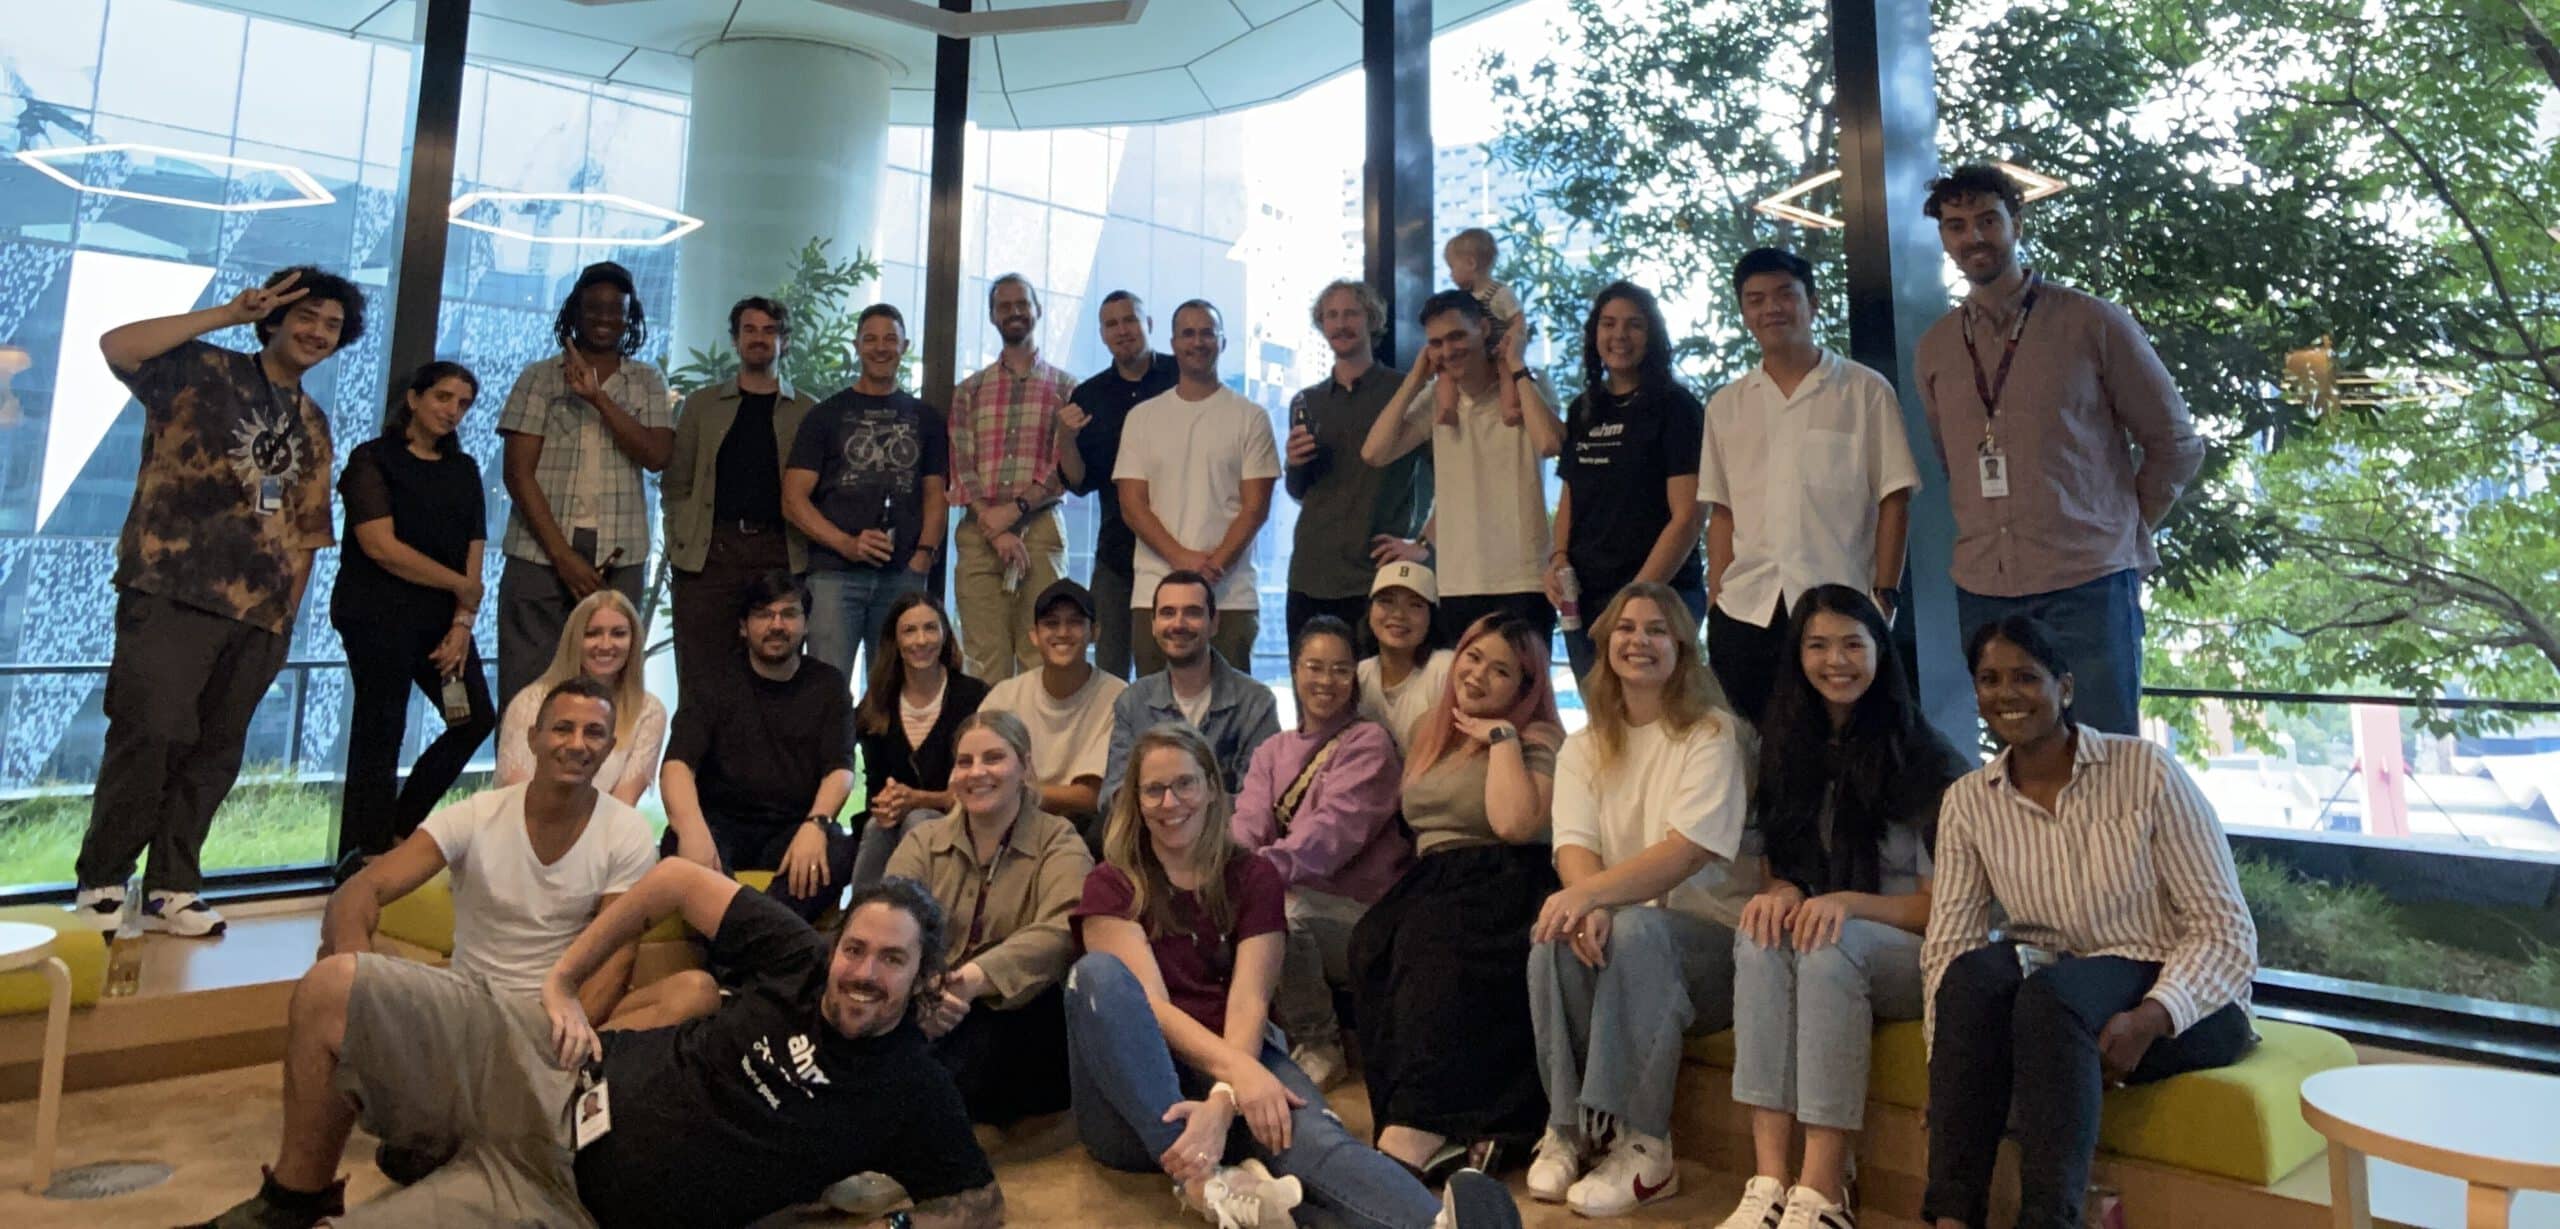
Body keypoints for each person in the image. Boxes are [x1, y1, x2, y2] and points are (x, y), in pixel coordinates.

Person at [188, 860, 1004, 1228]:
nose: (862, 973)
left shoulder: (911, 1089)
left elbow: (977, 1201)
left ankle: (434, 1152)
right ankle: (292, 1198)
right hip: (549, 1071)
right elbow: (672, 880)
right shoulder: (799, 956)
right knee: (333, 989)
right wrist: (562, 981)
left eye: (891, 960)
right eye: (855, 949)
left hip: (564, 1207)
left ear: (922, 975)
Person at [1066, 722, 1523, 1229]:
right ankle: (1200, 1180)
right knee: (1097, 974)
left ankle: (1438, 1224)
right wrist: (1238, 1081)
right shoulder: (1111, 885)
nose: (1170, 802)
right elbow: (1152, 1010)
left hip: (1237, 1058)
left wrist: (1223, 1099)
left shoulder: (1252, 876)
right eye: (1154, 789)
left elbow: (1249, 1001)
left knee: (1318, 1149)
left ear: (1213, 788)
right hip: (1137, 1103)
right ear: (1136, 801)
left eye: (1184, 784)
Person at [1921, 616, 2257, 1229]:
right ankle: (1951, 1218)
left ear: (2066, 688)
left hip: (2175, 992)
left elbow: (2226, 934)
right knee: (1970, 978)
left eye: (2026, 677)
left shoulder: (2146, 772)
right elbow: (1949, 945)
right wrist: (1948, 1073)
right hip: (2057, 990)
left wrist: (2151, 1018)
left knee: (2050, 1002)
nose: (2007, 694)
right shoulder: (1968, 800)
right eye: (1990, 679)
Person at [73, 266, 365, 938]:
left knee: (215, 752)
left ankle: (172, 886)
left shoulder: (313, 421)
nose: (319, 332)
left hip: (259, 615)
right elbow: (118, 345)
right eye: (308, 316)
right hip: (171, 588)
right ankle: (103, 879)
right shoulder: (203, 370)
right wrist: (227, 314)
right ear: (275, 318)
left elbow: (307, 533)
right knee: (149, 733)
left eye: (333, 325)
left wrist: (284, 621)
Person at [1714, 584, 1970, 1229]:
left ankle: (1825, 1189)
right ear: (1797, 656)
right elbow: (1781, 863)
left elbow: (1945, 911)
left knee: (1828, 949)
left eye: (1853, 644)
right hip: (1833, 937)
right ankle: (1769, 1180)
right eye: (1818, 645)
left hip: (1920, 955)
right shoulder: (1785, 747)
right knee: (1761, 935)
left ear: (1880, 652)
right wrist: (1783, 892)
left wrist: (1847, 904)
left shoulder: (1928, 761)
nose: (1836, 661)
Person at [1915, 165, 2203, 736]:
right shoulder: (1937, 347)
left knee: (2104, 752)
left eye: (1988, 220)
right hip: (1983, 587)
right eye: (1956, 226)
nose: (1973, 237)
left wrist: (2120, 531)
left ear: (2016, 225)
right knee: (2017, 748)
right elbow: (1954, 463)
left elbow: (2176, 446)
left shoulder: (2091, 322)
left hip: (2087, 584)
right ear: (1944, 238)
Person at [1523, 583, 1755, 1216]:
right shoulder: (1584, 744)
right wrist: (1588, 905)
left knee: (1635, 931)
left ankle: (1647, 1146)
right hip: (1625, 940)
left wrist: (1593, 898)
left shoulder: (1714, 733)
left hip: (1716, 951)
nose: (1639, 641)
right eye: (1626, 628)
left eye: (1657, 630)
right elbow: (1574, 845)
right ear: (1606, 644)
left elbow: (1686, 852)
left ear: (1681, 648)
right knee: (1551, 939)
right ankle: (1568, 1131)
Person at [320, 677, 711, 1035]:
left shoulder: (627, 831)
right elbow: (360, 889)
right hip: (472, 1010)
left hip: (565, 1017)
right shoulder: (476, 814)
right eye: (563, 729)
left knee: (697, 992)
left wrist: (560, 1038)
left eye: (593, 733)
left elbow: (616, 961)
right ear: (533, 739)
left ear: (609, 749)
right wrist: (355, 968)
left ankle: (569, 1070)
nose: (577, 744)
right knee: (335, 968)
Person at [1352, 612, 1565, 1178]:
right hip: (1432, 874)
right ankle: (1421, 1120)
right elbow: (1412, 818)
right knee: (1370, 945)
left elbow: (1515, 824)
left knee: (1433, 951)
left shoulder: (1537, 735)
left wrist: (1502, 739)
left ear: (1524, 687)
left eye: (1501, 671)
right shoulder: (1433, 726)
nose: (1477, 675)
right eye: (1473, 657)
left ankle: (1420, 1123)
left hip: (1502, 875)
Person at [1701, 248, 1920, 723]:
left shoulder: (1864, 390)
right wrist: (1717, 598)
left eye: (1785, 294)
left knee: (1845, 742)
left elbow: (1895, 497)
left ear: (1813, 303)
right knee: (1752, 746)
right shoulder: (1726, 405)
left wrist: (1884, 597)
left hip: (1841, 609)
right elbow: (1722, 512)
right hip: (1747, 610)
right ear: (1744, 313)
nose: (1771, 308)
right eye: (1756, 299)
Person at [330, 360, 496, 879]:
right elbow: (380, 546)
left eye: (463, 404)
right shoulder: (372, 459)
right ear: (414, 398)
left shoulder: (463, 468)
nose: (453, 411)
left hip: (441, 622)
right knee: (382, 726)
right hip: (376, 614)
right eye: (444, 398)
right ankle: (364, 855)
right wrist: (457, 586)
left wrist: (463, 622)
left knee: (473, 718)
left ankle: (399, 832)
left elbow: (474, 547)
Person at [886, 710, 1093, 1125]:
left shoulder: (1060, 841)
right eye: (965, 762)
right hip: (927, 1003)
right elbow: (890, 922)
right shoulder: (923, 841)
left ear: (1025, 768)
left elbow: (1061, 931)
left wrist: (973, 979)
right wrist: (927, 989)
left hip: (1019, 1015)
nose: (977, 772)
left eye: (994, 758)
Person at [1229, 616, 1408, 1092]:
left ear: (1355, 677)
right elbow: (1247, 822)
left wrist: (1251, 877)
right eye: (1314, 667)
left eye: (1340, 670)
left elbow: (1328, 838)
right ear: (1294, 670)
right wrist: (1224, 872)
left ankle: (1320, 1043)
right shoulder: (1272, 750)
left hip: (1360, 916)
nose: (1326, 681)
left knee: (1281, 914)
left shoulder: (1369, 744)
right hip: (1283, 893)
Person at [494, 260, 674, 707]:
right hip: (538, 552)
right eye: (593, 307)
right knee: (526, 690)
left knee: (607, 691)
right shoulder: (539, 377)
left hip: (619, 553)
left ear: (630, 318)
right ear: (575, 311)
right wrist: (563, 557)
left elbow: (657, 455)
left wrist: (598, 398)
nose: (604, 318)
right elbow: (517, 473)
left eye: (616, 310)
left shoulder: (646, 380)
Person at [1362, 290, 1562, 646]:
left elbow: (1549, 442)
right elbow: (1374, 453)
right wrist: (1415, 378)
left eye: (1457, 336)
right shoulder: (1437, 401)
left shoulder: (1527, 383)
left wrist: (1516, 367)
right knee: (1463, 682)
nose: (1448, 350)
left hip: (1525, 578)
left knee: (1526, 681)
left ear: (1483, 329)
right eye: (1436, 343)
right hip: (1458, 582)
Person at [660, 571, 858, 923]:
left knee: (839, 850)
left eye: (789, 613)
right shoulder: (711, 682)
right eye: (764, 614)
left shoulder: (828, 684)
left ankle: (743, 935)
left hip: (793, 827)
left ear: (806, 624)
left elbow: (840, 770)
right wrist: (692, 829)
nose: (776, 625)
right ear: (743, 626)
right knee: (678, 846)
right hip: (720, 824)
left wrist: (816, 824)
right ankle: (768, 938)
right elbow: (677, 765)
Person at [1547, 281, 1706, 684]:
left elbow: (1688, 517)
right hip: (1586, 597)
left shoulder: (1676, 408)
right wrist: (1558, 558)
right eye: (1609, 324)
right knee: (1602, 714)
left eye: (1634, 325)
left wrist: (1634, 600)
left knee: (1657, 712)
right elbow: (1571, 494)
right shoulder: (1584, 408)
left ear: (1652, 335)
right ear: (1594, 334)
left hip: (1660, 596)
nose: (1620, 335)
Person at [787, 302, 949, 683]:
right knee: (826, 688)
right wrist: (845, 544)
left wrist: (923, 557)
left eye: (890, 339)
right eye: (871, 339)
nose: (881, 347)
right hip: (834, 577)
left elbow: (936, 495)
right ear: (857, 345)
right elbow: (792, 500)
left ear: (905, 346)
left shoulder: (926, 419)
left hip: (902, 577)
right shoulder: (824, 415)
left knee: (895, 690)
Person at [664, 296, 817, 699]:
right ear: (735, 339)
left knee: (775, 674)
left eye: (769, 331)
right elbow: (676, 483)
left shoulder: (806, 411)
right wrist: (680, 538)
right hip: (710, 554)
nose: (759, 338)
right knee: (700, 675)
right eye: (749, 330)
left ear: (785, 341)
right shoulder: (702, 406)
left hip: (778, 552)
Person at [1117, 299, 1280, 674]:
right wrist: (1182, 560)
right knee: (1156, 705)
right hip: (1155, 593)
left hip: (1230, 595)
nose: (1197, 342)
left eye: (1207, 333)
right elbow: (1133, 506)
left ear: (1222, 342)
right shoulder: (1142, 418)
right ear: (1173, 343)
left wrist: (1212, 567)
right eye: (1187, 333)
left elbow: (1255, 508)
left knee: (1229, 704)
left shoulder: (1251, 417)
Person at [1283, 279, 1430, 634]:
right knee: (1310, 670)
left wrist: (1424, 544)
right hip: (1310, 572)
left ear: (1372, 319)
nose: (1340, 323)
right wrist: (1294, 465)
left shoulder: (1406, 391)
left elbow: (1449, 476)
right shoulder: (1307, 401)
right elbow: (1300, 492)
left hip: (1378, 574)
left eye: (1351, 313)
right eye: (1331, 315)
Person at [948, 273, 1074, 681]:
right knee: (983, 660)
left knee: (1043, 653)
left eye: (1022, 304)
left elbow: (1064, 466)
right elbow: (960, 463)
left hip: (1041, 530)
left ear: (1038, 310)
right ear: (992, 316)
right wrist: (994, 523)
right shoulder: (969, 390)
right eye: (1005, 306)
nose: (1014, 312)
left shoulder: (1067, 388)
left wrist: (1015, 510)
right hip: (979, 533)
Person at [1056, 290, 1179, 678]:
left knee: (1174, 670)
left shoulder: (1183, 377)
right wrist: (1065, 438)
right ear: (1102, 334)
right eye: (1112, 324)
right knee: (1109, 671)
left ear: (1149, 324)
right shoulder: (1088, 396)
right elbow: (1078, 482)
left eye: (1130, 320)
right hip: (1117, 554)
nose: (1122, 330)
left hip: (1182, 548)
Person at [1101, 572, 1282, 806]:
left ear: (1214, 623)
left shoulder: (1256, 703)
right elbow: (1113, 794)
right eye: (1168, 613)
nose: (1178, 624)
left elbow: (1260, 800)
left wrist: (1179, 804)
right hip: (1151, 827)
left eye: (1192, 613)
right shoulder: (1131, 702)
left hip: (1226, 830)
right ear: (1153, 625)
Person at [850, 591, 992, 889]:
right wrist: (887, 803)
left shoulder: (974, 696)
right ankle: (862, 912)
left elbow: (979, 786)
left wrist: (918, 800)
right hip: (891, 825)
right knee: (877, 827)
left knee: (919, 821)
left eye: (930, 628)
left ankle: (911, 913)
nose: (921, 640)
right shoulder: (876, 702)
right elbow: (875, 786)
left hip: (961, 819)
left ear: (945, 634)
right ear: (894, 640)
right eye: (909, 631)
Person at [980, 578, 1126, 837]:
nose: (1063, 632)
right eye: (1051, 623)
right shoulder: (1005, 696)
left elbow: (1095, 796)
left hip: (1086, 828)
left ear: (1095, 632)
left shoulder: (1120, 697)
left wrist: (1018, 790)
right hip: (1012, 821)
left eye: (1075, 622)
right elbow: (979, 775)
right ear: (1034, 636)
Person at [496, 590, 667, 808]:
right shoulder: (530, 703)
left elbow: (624, 804)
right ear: (574, 639)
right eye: (592, 634)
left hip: (608, 827)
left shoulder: (649, 711)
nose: (605, 645)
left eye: (618, 634)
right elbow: (516, 796)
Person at [1356, 561, 1455, 754]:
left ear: (1432, 617)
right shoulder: (1360, 674)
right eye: (1387, 601)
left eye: (1414, 605)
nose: (1399, 614)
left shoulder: (1445, 668)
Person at [1439, 227, 1528, 432]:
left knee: (1506, 373)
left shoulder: (1500, 293)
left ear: (1471, 263)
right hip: (1476, 352)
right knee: (1446, 372)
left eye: (1452, 267)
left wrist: (1511, 341)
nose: (1451, 275)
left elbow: (1518, 319)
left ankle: (1509, 408)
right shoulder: (1465, 297)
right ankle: (1448, 408)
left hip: (1498, 349)